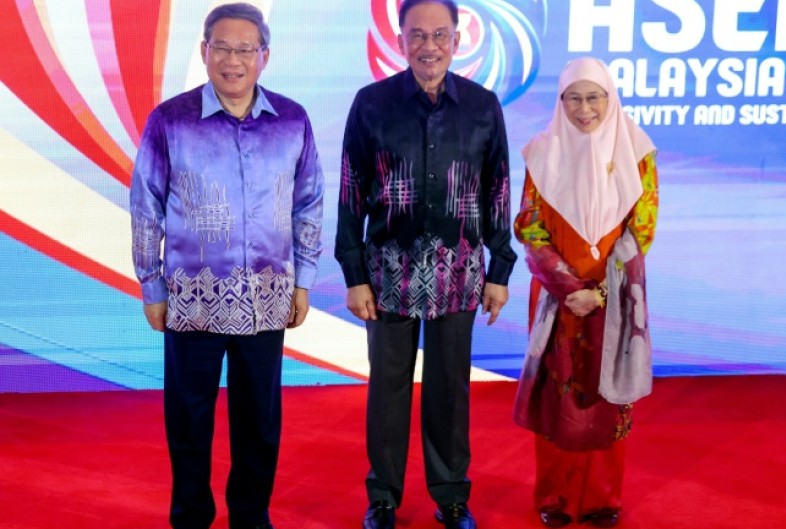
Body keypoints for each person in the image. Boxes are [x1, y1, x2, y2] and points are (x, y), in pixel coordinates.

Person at [129, 4, 324, 528]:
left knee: (259, 422)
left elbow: (309, 203)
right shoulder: (171, 121)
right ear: (204, 51)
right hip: (191, 298)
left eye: (245, 49)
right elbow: (146, 205)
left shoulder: (292, 120)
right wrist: (152, 283)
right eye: (222, 48)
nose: (233, 61)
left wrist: (303, 280)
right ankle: (191, 516)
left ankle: (251, 518)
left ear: (264, 56)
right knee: (189, 420)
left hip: (268, 297)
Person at [334, 1, 516, 528]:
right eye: (418, 35)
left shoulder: (482, 106)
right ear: (400, 38)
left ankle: (452, 496)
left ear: (458, 40)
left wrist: (499, 270)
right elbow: (350, 190)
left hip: (458, 272)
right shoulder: (372, 104)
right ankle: (383, 498)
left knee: (449, 388)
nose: (429, 46)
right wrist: (354, 274)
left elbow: (498, 189)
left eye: (440, 35)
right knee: (386, 390)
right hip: (387, 271)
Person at [512, 58, 659, 528]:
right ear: (560, 101)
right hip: (557, 298)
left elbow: (642, 228)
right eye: (573, 97)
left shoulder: (637, 152)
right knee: (556, 399)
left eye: (594, 97)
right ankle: (554, 498)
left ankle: (602, 499)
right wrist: (570, 286)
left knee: (607, 395)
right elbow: (530, 226)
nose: (584, 108)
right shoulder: (541, 152)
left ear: (610, 98)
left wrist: (600, 291)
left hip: (614, 296)